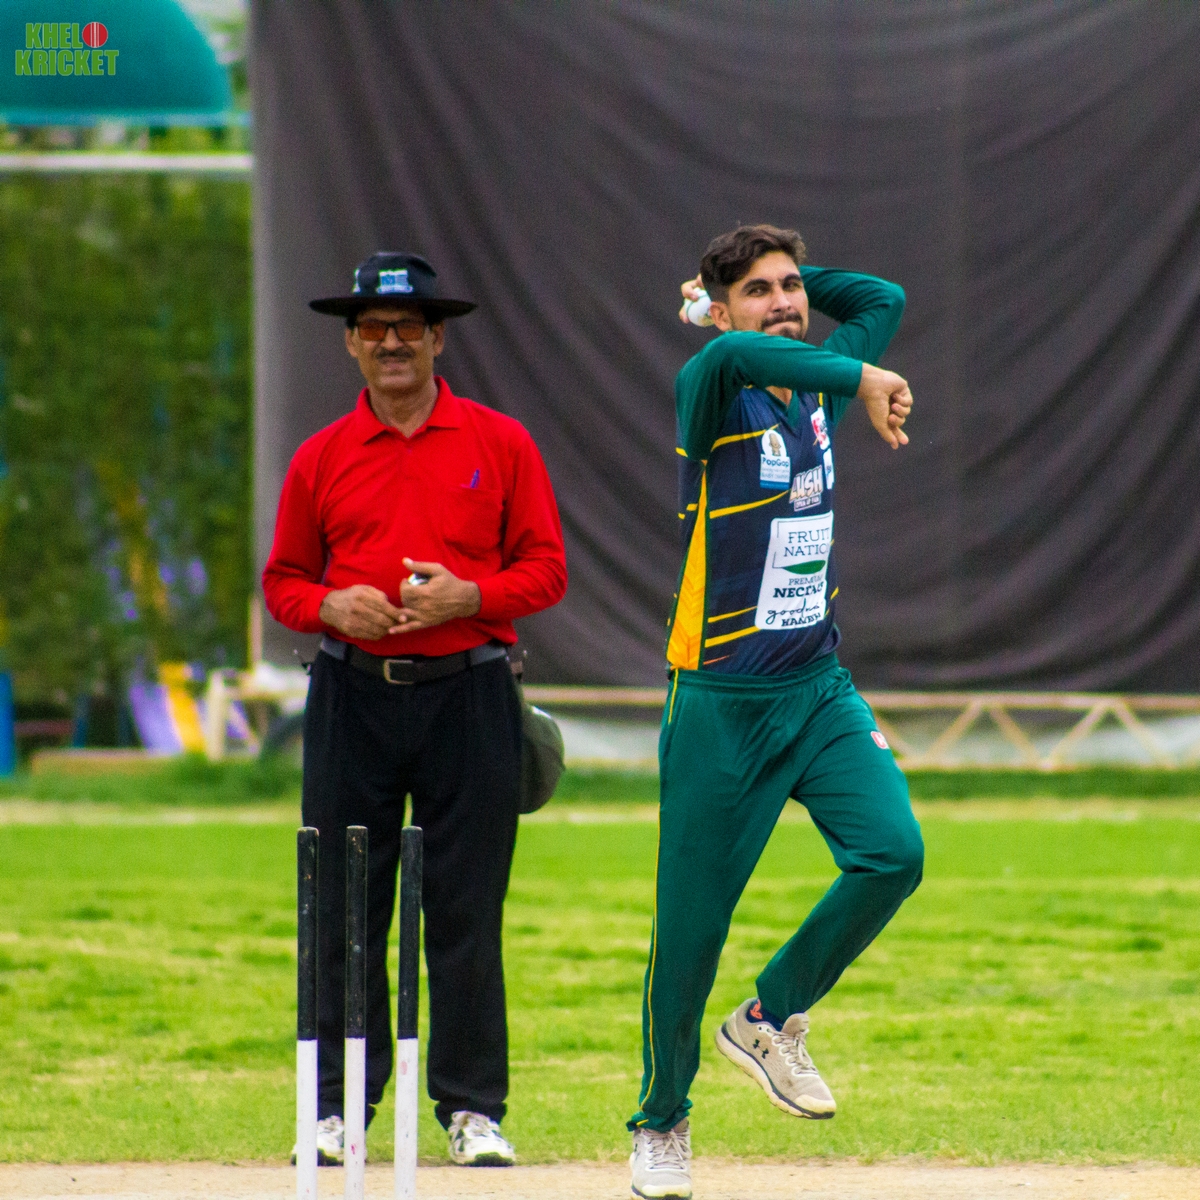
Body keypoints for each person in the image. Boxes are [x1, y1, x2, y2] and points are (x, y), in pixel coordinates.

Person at [628, 225, 925, 1200]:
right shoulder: (715, 379)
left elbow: (881, 297)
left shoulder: (822, 383)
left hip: (816, 687)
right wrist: (857, 373)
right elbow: (749, 351)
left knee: (894, 853)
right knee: (689, 934)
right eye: (758, 290)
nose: (787, 302)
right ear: (718, 311)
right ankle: (662, 1122)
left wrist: (802, 298)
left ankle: (770, 1016)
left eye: (793, 286)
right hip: (720, 700)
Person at [263, 252, 567, 1168]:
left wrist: (472, 596)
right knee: (343, 905)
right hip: (352, 692)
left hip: (470, 691)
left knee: (467, 907)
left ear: (438, 338)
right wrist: (332, 607)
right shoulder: (321, 456)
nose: (390, 342)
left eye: (408, 327)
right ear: (352, 345)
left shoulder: (499, 443)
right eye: (373, 328)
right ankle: (337, 1109)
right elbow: (283, 582)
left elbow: (547, 571)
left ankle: (472, 1109)